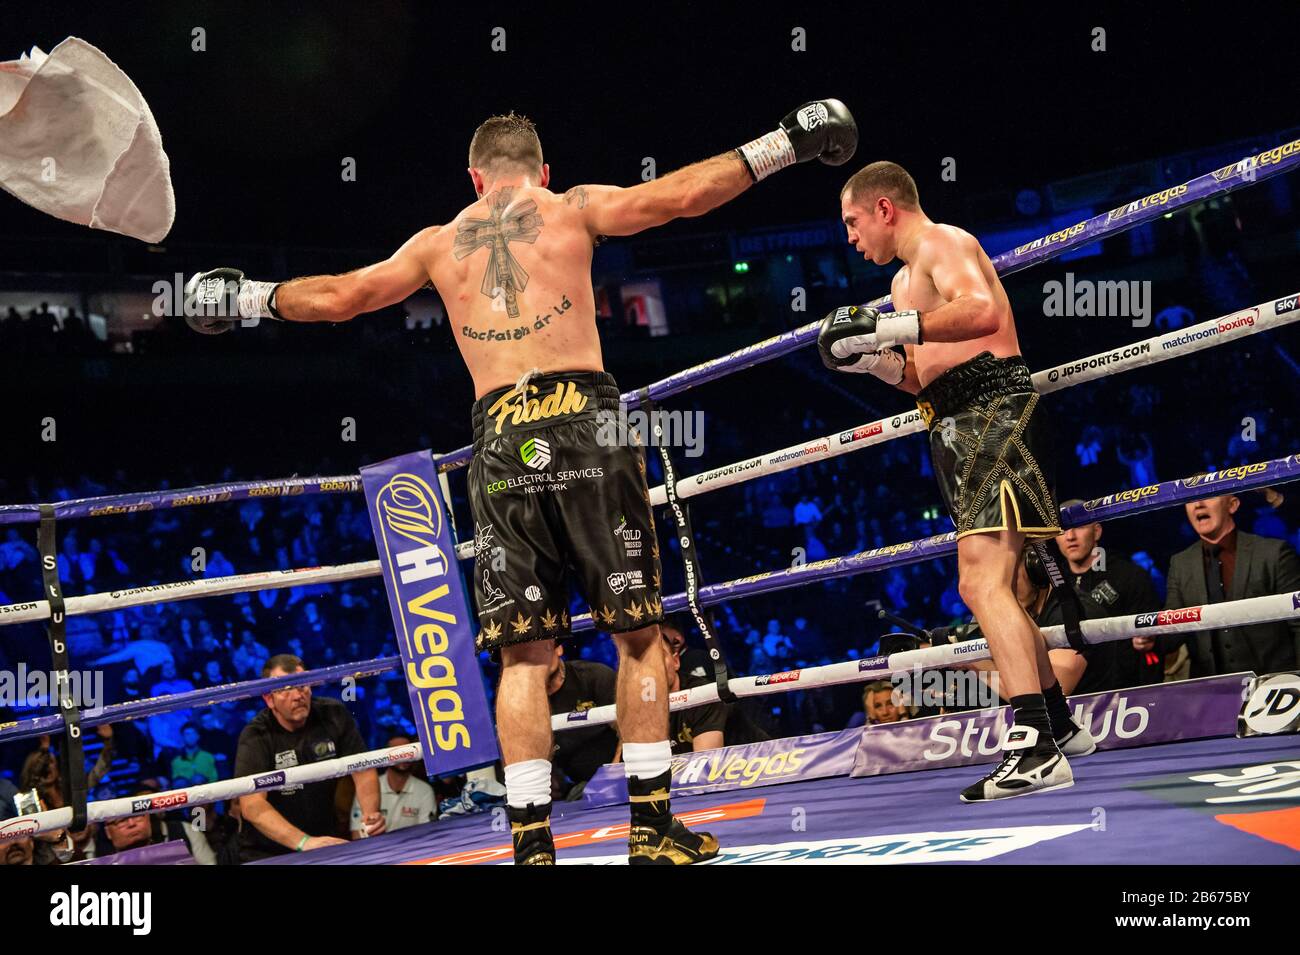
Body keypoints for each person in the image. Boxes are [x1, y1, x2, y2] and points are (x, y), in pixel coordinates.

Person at [185, 101, 857, 863]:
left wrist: (241, 298)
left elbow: (343, 296)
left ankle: (532, 843)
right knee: (637, 636)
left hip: (501, 437)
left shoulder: (438, 243)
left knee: (524, 656)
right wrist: (785, 143)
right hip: (586, 420)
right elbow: (679, 195)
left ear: (474, 179)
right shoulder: (572, 206)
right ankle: (650, 827)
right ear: (543, 170)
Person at [819, 161, 1091, 801]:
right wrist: (869, 361)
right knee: (992, 581)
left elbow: (982, 312)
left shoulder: (944, 241)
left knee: (981, 579)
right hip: (955, 421)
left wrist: (884, 327)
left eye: (853, 222)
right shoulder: (902, 280)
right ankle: (1057, 724)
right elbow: (920, 373)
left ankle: (1034, 746)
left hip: (993, 411)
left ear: (885, 208)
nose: (850, 238)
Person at [234, 654, 384, 862]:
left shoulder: (333, 714)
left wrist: (371, 817)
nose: (298, 695)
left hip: (324, 841)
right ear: (269, 699)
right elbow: (252, 805)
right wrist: (304, 842)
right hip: (267, 851)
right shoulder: (256, 735)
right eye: (287, 689)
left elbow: (362, 767)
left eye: (302, 685)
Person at [1165, 491, 1300, 676]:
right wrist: (1149, 639)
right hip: (1211, 693)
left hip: (1273, 687)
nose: (1198, 504)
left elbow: (1298, 624)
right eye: (1190, 499)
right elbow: (1172, 627)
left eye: (1208, 495)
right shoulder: (1180, 563)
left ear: (1232, 505)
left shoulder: (1273, 553)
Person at [1053, 504, 1162, 687]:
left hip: (1125, 693)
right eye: (1063, 529)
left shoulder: (1129, 576)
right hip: (1070, 691)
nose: (1070, 536)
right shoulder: (1050, 585)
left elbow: (1152, 642)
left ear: (1096, 531)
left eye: (1079, 525)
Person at [545, 643, 619, 799]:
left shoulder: (594, 676)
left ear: (559, 649)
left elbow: (630, 731)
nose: (540, 661)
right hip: (577, 789)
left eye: (543, 650)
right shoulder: (527, 703)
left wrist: (612, 776)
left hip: (621, 775)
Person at [349, 735, 436, 835]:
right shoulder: (367, 787)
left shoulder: (424, 790)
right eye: (397, 752)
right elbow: (356, 832)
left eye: (408, 751)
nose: (404, 756)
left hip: (414, 848)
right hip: (377, 849)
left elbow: (428, 833)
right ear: (385, 755)